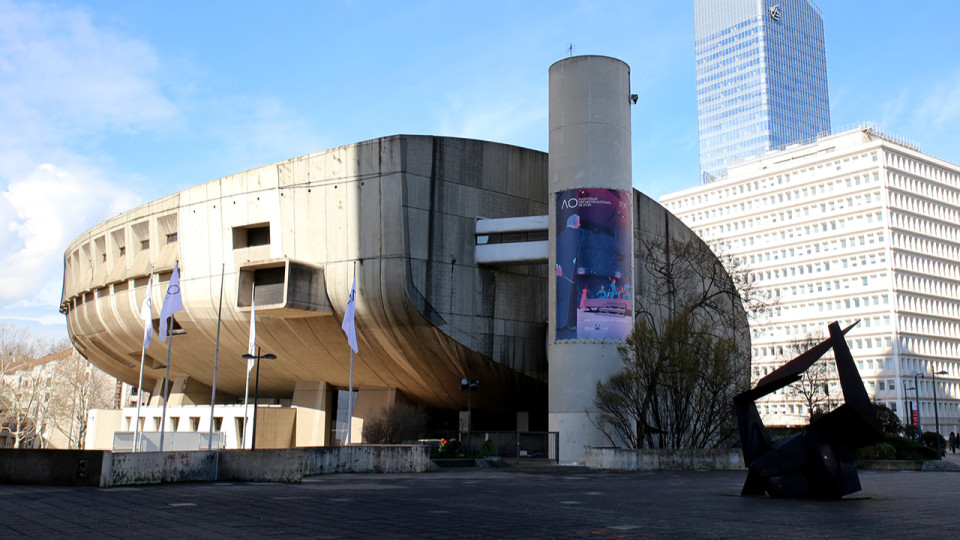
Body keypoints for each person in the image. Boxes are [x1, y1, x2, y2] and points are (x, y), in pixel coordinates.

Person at [555, 214, 584, 334]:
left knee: (561, 297)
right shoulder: (578, 233)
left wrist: (558, 266)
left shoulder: (560, 235)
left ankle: (560, 324)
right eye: (579, 222)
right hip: (571, 270)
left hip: (560, 270)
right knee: (570, 297)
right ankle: (569, 323)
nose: (580, 224)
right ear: (574, 222)